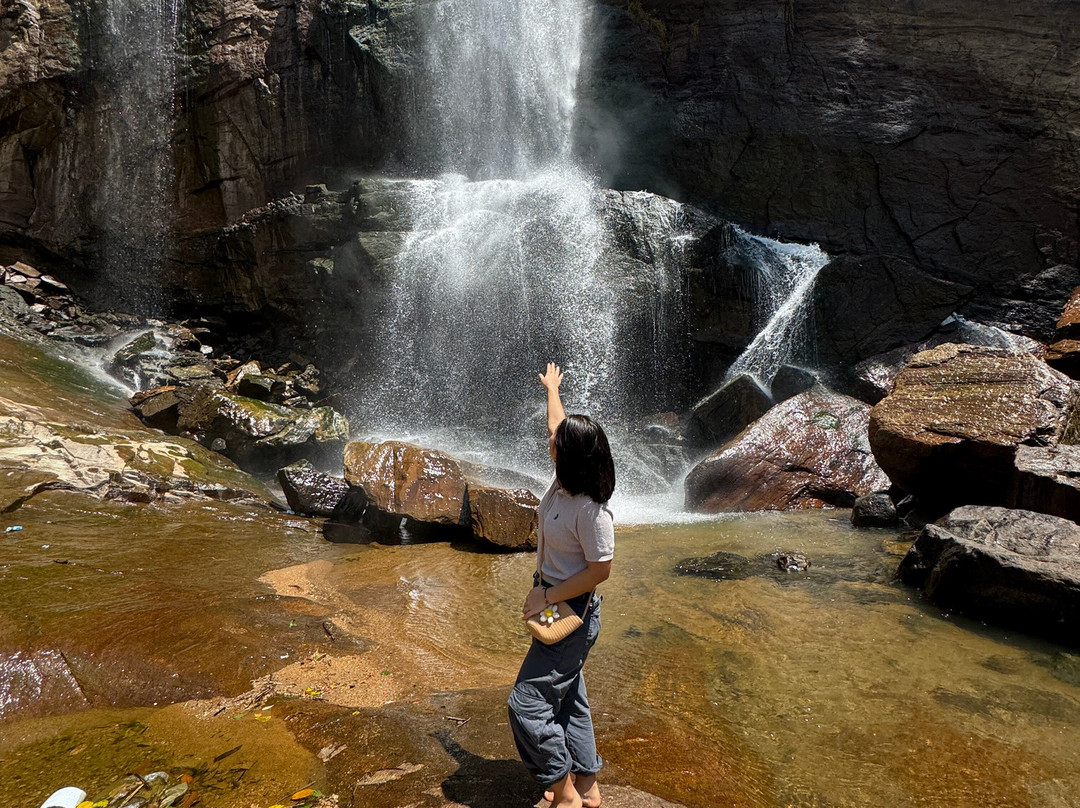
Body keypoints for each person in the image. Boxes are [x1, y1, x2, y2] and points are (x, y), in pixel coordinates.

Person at [508, 362, 616, 808]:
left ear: (569, 457)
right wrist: (552, 388)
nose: (549, 442)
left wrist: (546, 595)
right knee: (570, 696)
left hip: (574, 610)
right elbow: (558, 425)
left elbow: (600, 571)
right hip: (555, 599)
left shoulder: (591, 511)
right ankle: (589, 786)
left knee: (527, 704)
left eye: (556, 444)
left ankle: (562, 788)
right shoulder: (565, 480)